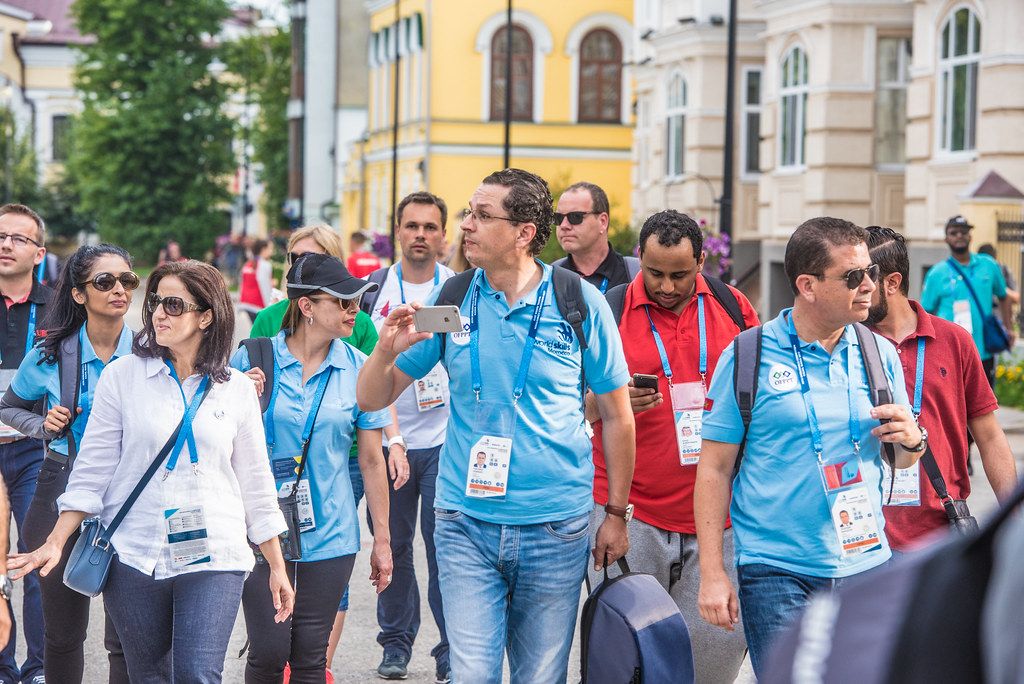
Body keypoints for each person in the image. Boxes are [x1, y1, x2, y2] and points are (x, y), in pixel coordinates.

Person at [357, 168, 635, 683]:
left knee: (539, 676)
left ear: (525, 232)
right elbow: (374, 397)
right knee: (472, 675)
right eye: (468, 213)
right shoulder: (453, 301)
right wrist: (383, 350)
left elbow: (618, 415)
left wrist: (616, 512)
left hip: (556, 526)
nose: (467, 225)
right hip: (465, 523)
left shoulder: (578, 303)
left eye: (483, 216)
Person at [8, 260, 296, 682]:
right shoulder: (123, 377)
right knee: (149, 677)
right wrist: (55, 540)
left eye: (174, 305)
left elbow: (255, 482)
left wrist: (275, 565)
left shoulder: (235, 388)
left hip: (214, 551)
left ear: (207, 315)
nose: (158, 312)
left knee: (198, 673)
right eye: (158, 302)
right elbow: (93, 470)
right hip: (135, 551)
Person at [694, 217, 926, 677]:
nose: (869, 286)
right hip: (776, 570)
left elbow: (901, 458)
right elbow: (715, 469)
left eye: (871, 273)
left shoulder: (879, 355)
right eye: (853, 276)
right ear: (808, 285)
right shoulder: (746, 355)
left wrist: (913, 440)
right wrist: (713, 572)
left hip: (865, 563)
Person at [588, 210, 758, 684]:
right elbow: (572, 407)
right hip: (630, 514)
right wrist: (605, 405)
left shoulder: (734, 307)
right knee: (625, 661)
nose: (665, 286)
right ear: (639, 257)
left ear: (702, 261)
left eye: (680, 275)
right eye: (655, 272)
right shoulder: (609, 308)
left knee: (711, 664)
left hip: (720, 519)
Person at [231, 253, 394, 682]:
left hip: (332, 532)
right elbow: (208, 431)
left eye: (357, 300)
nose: (353, 309)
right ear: (306, 307)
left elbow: (372, 459)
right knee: (267, 652)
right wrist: (233, 396)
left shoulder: (360, 368)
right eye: (342, 301)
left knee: (310, 657)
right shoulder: (251, 361)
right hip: (261, 529)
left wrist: (383, 541)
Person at [0, 245, 136, 683]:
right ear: (79, 294)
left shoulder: (152, 351)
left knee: (127, 637)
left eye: (127, 281)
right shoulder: (51, 352)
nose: (119, 290)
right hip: (59, 485)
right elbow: (9, 407)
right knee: (62, 635)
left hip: (132, 494)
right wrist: (42, 424)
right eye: (105, 282)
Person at [864, 226, 1017, 549]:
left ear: (892, 282)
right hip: (861, 534)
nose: (856, 290)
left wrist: (1013, 521)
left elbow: (989, 436)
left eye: (862, 279)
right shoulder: (848, 342)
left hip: (939, 532)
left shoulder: (954, 341)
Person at [361, 191, 454, 682]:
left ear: (443, 235)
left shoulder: (457, 292)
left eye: (430, 226)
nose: (421, 234)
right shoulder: (374, 292)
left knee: (447, 552)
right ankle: (395, 644)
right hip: (388, 443)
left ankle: (450, 652)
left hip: (445, 443)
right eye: (412, 225)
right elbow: (364, 370)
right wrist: (384, 439)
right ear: (398, 231)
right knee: (392, 548)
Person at [0, 203, 50, 684]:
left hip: (36, 448)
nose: (5, 244)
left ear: (38, 252)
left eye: (18, 238)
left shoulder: (57, 308)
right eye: (0, 236)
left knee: (35, 561)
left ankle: (39, 669)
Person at [921, 215, 1012, 388]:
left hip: (982, 350)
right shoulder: (936, 273)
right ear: (946, 238)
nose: (959, 236)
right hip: (949, 351)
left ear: (970, 236)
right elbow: (926, 312)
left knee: (984, 404)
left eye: (963, 232)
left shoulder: (989, 265)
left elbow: (1003, 296)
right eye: (953, 233)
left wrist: (1008, 327)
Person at [250, 225, 377, 350]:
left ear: (335, 263)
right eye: (293, 258)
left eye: (308, 258)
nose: (298, 266)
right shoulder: (268, 318)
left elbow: (373, 370)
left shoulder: (360, 324)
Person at [553, 182, 637, 293]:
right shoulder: (551, 277)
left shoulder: (634, 274)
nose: (563, 225)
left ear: (603, 221)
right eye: (558, 217)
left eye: (575, 217)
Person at [239, 239, 275, 324]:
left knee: (256, 330)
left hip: (246, 302)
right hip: (258, 304)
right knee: (262, 333)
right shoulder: (265, 265)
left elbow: (242, 283)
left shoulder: (248, 264)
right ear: (263, 249)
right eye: (270, 249)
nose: (272, 251)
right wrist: (269, 307)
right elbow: (265, 287)